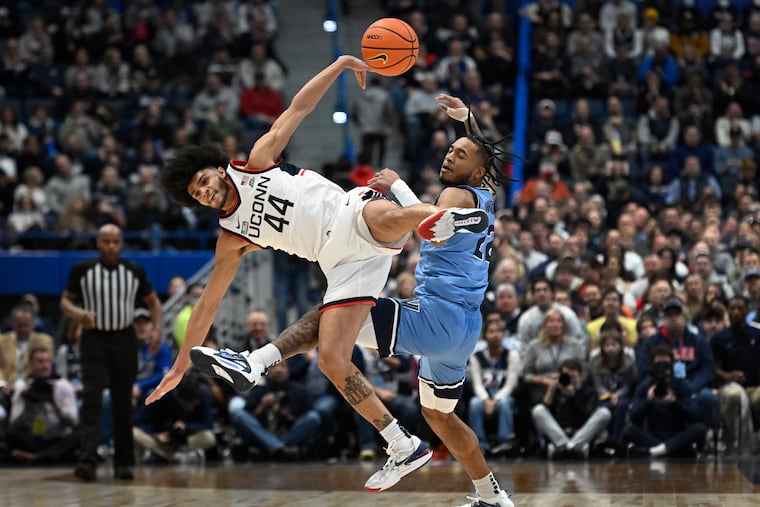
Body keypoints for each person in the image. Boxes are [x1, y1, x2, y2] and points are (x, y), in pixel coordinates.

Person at [146, 57, 489, 492]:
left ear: (215, 167)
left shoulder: (256, 162)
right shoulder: (230, 237)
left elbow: (299, 107)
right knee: (331, 359)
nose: (206, 191)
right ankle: (401, 443)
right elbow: (208, 303)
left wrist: (341, 64)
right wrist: (179, 367)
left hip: (347, 213)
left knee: (384, 217)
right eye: (197, 194)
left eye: (203, 180)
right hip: (340, 266)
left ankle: (440, 220)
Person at [60, 223, 163, 482]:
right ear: (98, 242)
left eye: (115, 241)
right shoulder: (82, 270)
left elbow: (153, 303)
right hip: (93, 338)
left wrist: (157, 330)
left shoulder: (134, 270)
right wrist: (78, 314)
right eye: (105, 241)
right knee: (92, 398)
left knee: (122, 401)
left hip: (124, 338)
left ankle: (124, 463)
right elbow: (64, 301)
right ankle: (87, 462)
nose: (110, 246)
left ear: (121, 243)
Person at [7, 346, 79, 464]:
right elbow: (14, 424)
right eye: (40, 362)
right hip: (35, 438)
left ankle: (37, 457)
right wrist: (28, 405)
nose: (44, 366)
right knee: (10, 433)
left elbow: (74, 422)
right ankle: (51, 455)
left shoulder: (63, 386)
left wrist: (54, 403)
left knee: (81, 435)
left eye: (47, 361)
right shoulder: (23, 387)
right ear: (30, 365)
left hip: (59, 437)